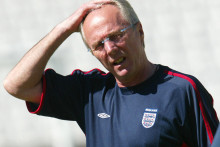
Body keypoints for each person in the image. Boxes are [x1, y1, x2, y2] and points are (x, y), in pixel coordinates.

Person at [3, 0, 219, 146]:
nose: (110, 48)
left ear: (140, 32)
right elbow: (16, 85)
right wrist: (64, 29)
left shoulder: (182, 90)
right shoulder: (90, 92)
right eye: (98, 45)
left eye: (116, 35)